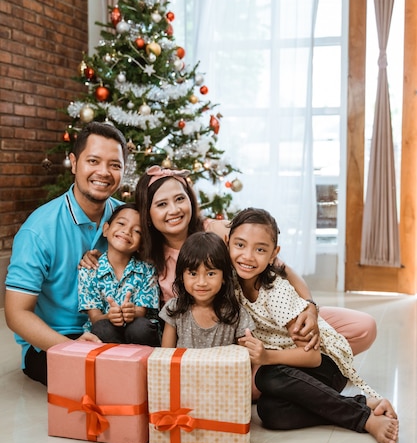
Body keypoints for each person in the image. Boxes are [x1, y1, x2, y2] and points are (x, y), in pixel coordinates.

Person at [83, 165, 376, 355]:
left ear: (191, 200)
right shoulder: (147, 255)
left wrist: (310, 307)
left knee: (362, 327)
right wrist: (90, 256)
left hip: (269, 316)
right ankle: (285, 369)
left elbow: (279, 265)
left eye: (180, 199)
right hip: (224, 339)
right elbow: (118, 249)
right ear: (148, 213)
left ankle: (298, 362)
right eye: (161, 204)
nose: (174, 210)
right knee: (253, 385)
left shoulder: (219, 231)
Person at [229, 207, 399, 443]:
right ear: (227, 243)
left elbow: (311, 356)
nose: (247, 256)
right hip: (293, 370)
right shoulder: (232, 278)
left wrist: (266, 356)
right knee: (270, 412)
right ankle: (360, 404)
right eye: (240, 245)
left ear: (273, 254)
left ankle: (364, 419)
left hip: (326, 364)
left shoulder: (275, 293)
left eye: (260, 249)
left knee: (269, 376)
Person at [4, 121, 127, 386]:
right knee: (108, 383)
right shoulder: (38, 230)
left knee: (151, 374)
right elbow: (16, 313)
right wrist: (70, 348)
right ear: (73, 163)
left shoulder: (127, 222)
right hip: (55, 342)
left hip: (113, 329)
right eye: (93, 161)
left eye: (115, 165)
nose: (103, 172)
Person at [78, 203, 161, 346]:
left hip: (138, 332)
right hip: (105, 330)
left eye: (137, 231)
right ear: (106, 229)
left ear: (141, 244)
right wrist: (110, 315)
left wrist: (132, 312)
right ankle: (114, 367)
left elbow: (141, 311)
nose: (127, 231)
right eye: (121, 223)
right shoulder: (89, 270)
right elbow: (95, 317)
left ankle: (143, 367)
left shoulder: (147, 270)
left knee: (140, 327)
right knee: (102, 327)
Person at [160, 231, 255, 348]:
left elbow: (245, 358)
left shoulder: (236, 314)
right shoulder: (174, 309)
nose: (201, 283)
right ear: (182, 277)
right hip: (183, 366)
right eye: (193, 273)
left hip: (222, 367)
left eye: (210, 274)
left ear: (224, 277)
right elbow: (165, 356)